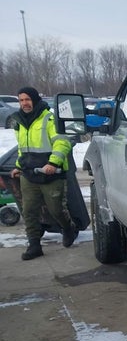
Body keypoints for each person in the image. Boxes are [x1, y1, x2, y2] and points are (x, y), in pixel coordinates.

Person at [9, 86, 78, 260]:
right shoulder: (19, 122)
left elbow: (62, 142)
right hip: (29, 174)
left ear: (35, 100)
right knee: (29, 211)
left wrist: (53, 163)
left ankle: (68, 228)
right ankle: (34, 245)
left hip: (51, 174)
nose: (24, 103)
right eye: (21, 100)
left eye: (27, 99)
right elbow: (23, 149)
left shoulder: (49, 118)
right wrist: (19, 166)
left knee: (56, 210)